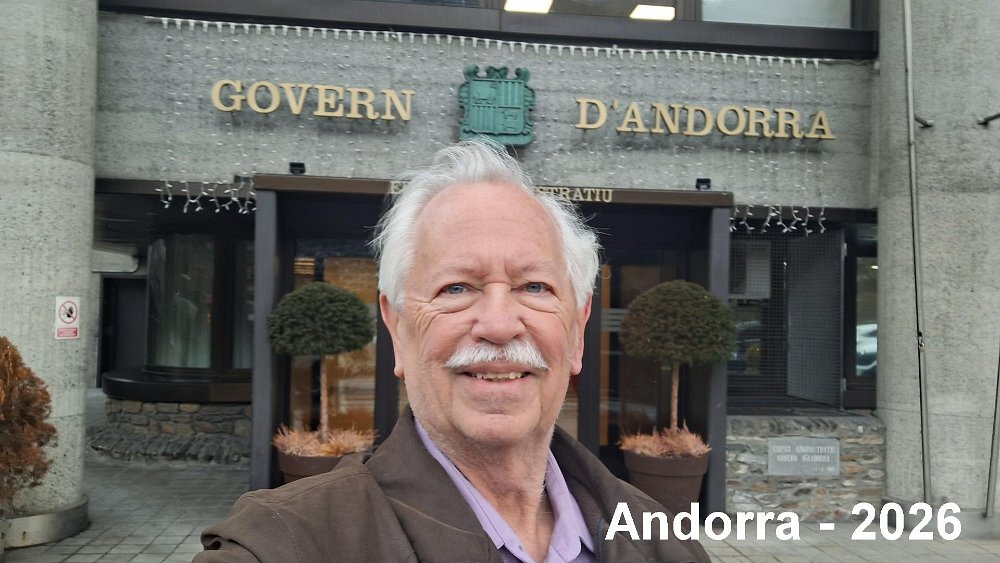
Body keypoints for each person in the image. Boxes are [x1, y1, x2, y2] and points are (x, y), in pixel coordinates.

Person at [195, 140, 710, 562]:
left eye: (534, 287)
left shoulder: (666, 542)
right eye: (456, 288)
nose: (500, 325)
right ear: (397, 328)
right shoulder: (285, 544)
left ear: (577, 329)